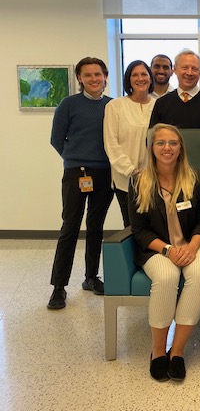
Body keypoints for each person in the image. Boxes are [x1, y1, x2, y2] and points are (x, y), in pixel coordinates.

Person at [128, 123, 200, 382]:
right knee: (166, 278)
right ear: (152, 148)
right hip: (156, 248)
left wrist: (191, 247)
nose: (167, 148)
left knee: (199, 274)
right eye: (161, 143)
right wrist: (167, 250)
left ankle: (176, 352)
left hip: (193, 244)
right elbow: (139, 230)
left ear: (181, 148)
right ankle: (157, 352)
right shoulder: (138, 180)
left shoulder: (195, 177)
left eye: (173, 143)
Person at [48, 57, 115, 310]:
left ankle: (90, 278)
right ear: (80, 79)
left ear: (105, 76)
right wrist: (75, 158)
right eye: (88, 75)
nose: (94, 79)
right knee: (70, 227)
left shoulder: (112, 106)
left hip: (104, 173)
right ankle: (58, 287)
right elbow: (56, 139)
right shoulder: (68, 104)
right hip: (76, 173)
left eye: (98, 74)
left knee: (96, 226)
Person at [104, 60, 156, 227]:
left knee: (155, 226)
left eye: (144, 74)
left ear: (150, 78)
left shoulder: (159, 104)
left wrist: (151, 171)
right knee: (132, 226)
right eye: (135, 75)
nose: (140, 78)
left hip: (155, 178)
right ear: (128, 79)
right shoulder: (115, 106)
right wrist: (132, 171)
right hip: (126, 179)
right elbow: (111, 143)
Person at [149, 49, 200, 129]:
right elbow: (152, 136)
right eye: (185, 68)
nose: (189, 73)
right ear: (175, 70)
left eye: (194, 69)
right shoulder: (161, 103)